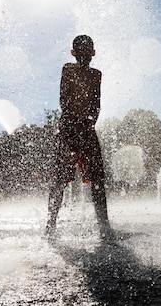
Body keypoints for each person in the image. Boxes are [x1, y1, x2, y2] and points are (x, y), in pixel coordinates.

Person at [46, 35, 112, 238]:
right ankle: (50, 225)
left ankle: (104, 226)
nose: (84, 56)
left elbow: (96, 104)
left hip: (86, 128)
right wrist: (77, 123)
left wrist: (88, 123)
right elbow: (63, 100)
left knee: (98, 178)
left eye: (87, 52)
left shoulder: (97, 75)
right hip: (68, 129)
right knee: (60, 179)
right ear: (73, 53)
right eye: (80, 52)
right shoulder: (67, 69)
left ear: (93, 53)